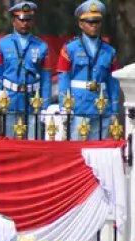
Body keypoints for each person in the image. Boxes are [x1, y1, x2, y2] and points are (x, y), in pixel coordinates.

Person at [57, 0, 120, 140]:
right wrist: (64, 107)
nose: (93, 25)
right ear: (80, 24)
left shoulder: (109, 51)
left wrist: (115, 109)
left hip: (102, 106)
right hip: (78, 106)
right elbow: (64, 78)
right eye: (89, 21)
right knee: (77, 150)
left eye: (97, 21)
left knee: (100, 151)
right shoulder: (70, 49)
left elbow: (113, 81)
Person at [0, 2, 51, 139]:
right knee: (9, 141)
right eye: (21, 19)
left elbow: (46, 78)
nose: (24, 23)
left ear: (32, 21)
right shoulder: (2, 44)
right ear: (13, 21)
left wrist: (45, 105)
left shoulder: (41, 46)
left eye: (28, 20)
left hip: (32, 100)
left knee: (33, 142)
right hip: (9, 98)